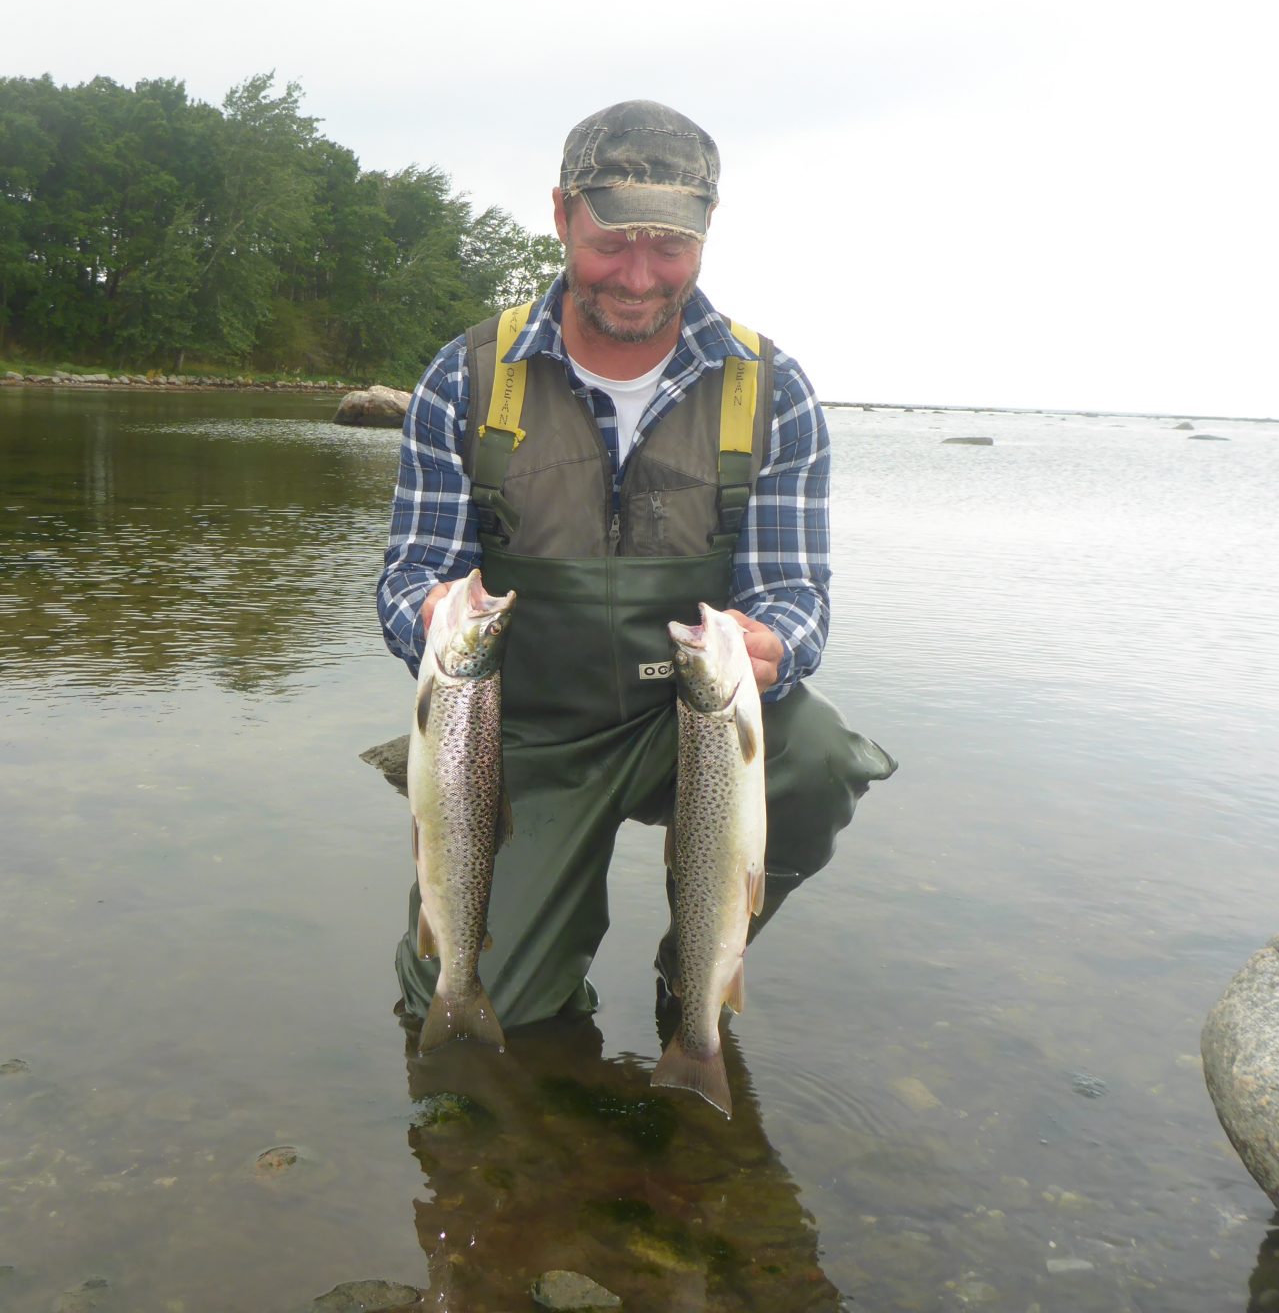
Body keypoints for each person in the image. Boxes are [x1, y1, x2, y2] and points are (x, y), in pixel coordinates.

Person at [377, 99, 894, 1032]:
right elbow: (409, 575)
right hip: (520, 738)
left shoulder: (770, 391)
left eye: (671, 247)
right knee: (464, 1004)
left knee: (816, 759)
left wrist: (778, 641)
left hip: (688, 725)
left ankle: (697, 965)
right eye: (614, 243)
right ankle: (534, 965)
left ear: (706, 235)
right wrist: (429, 610)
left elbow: (793, 592)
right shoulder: (465, 378)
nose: (640, 277)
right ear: (563, 213)